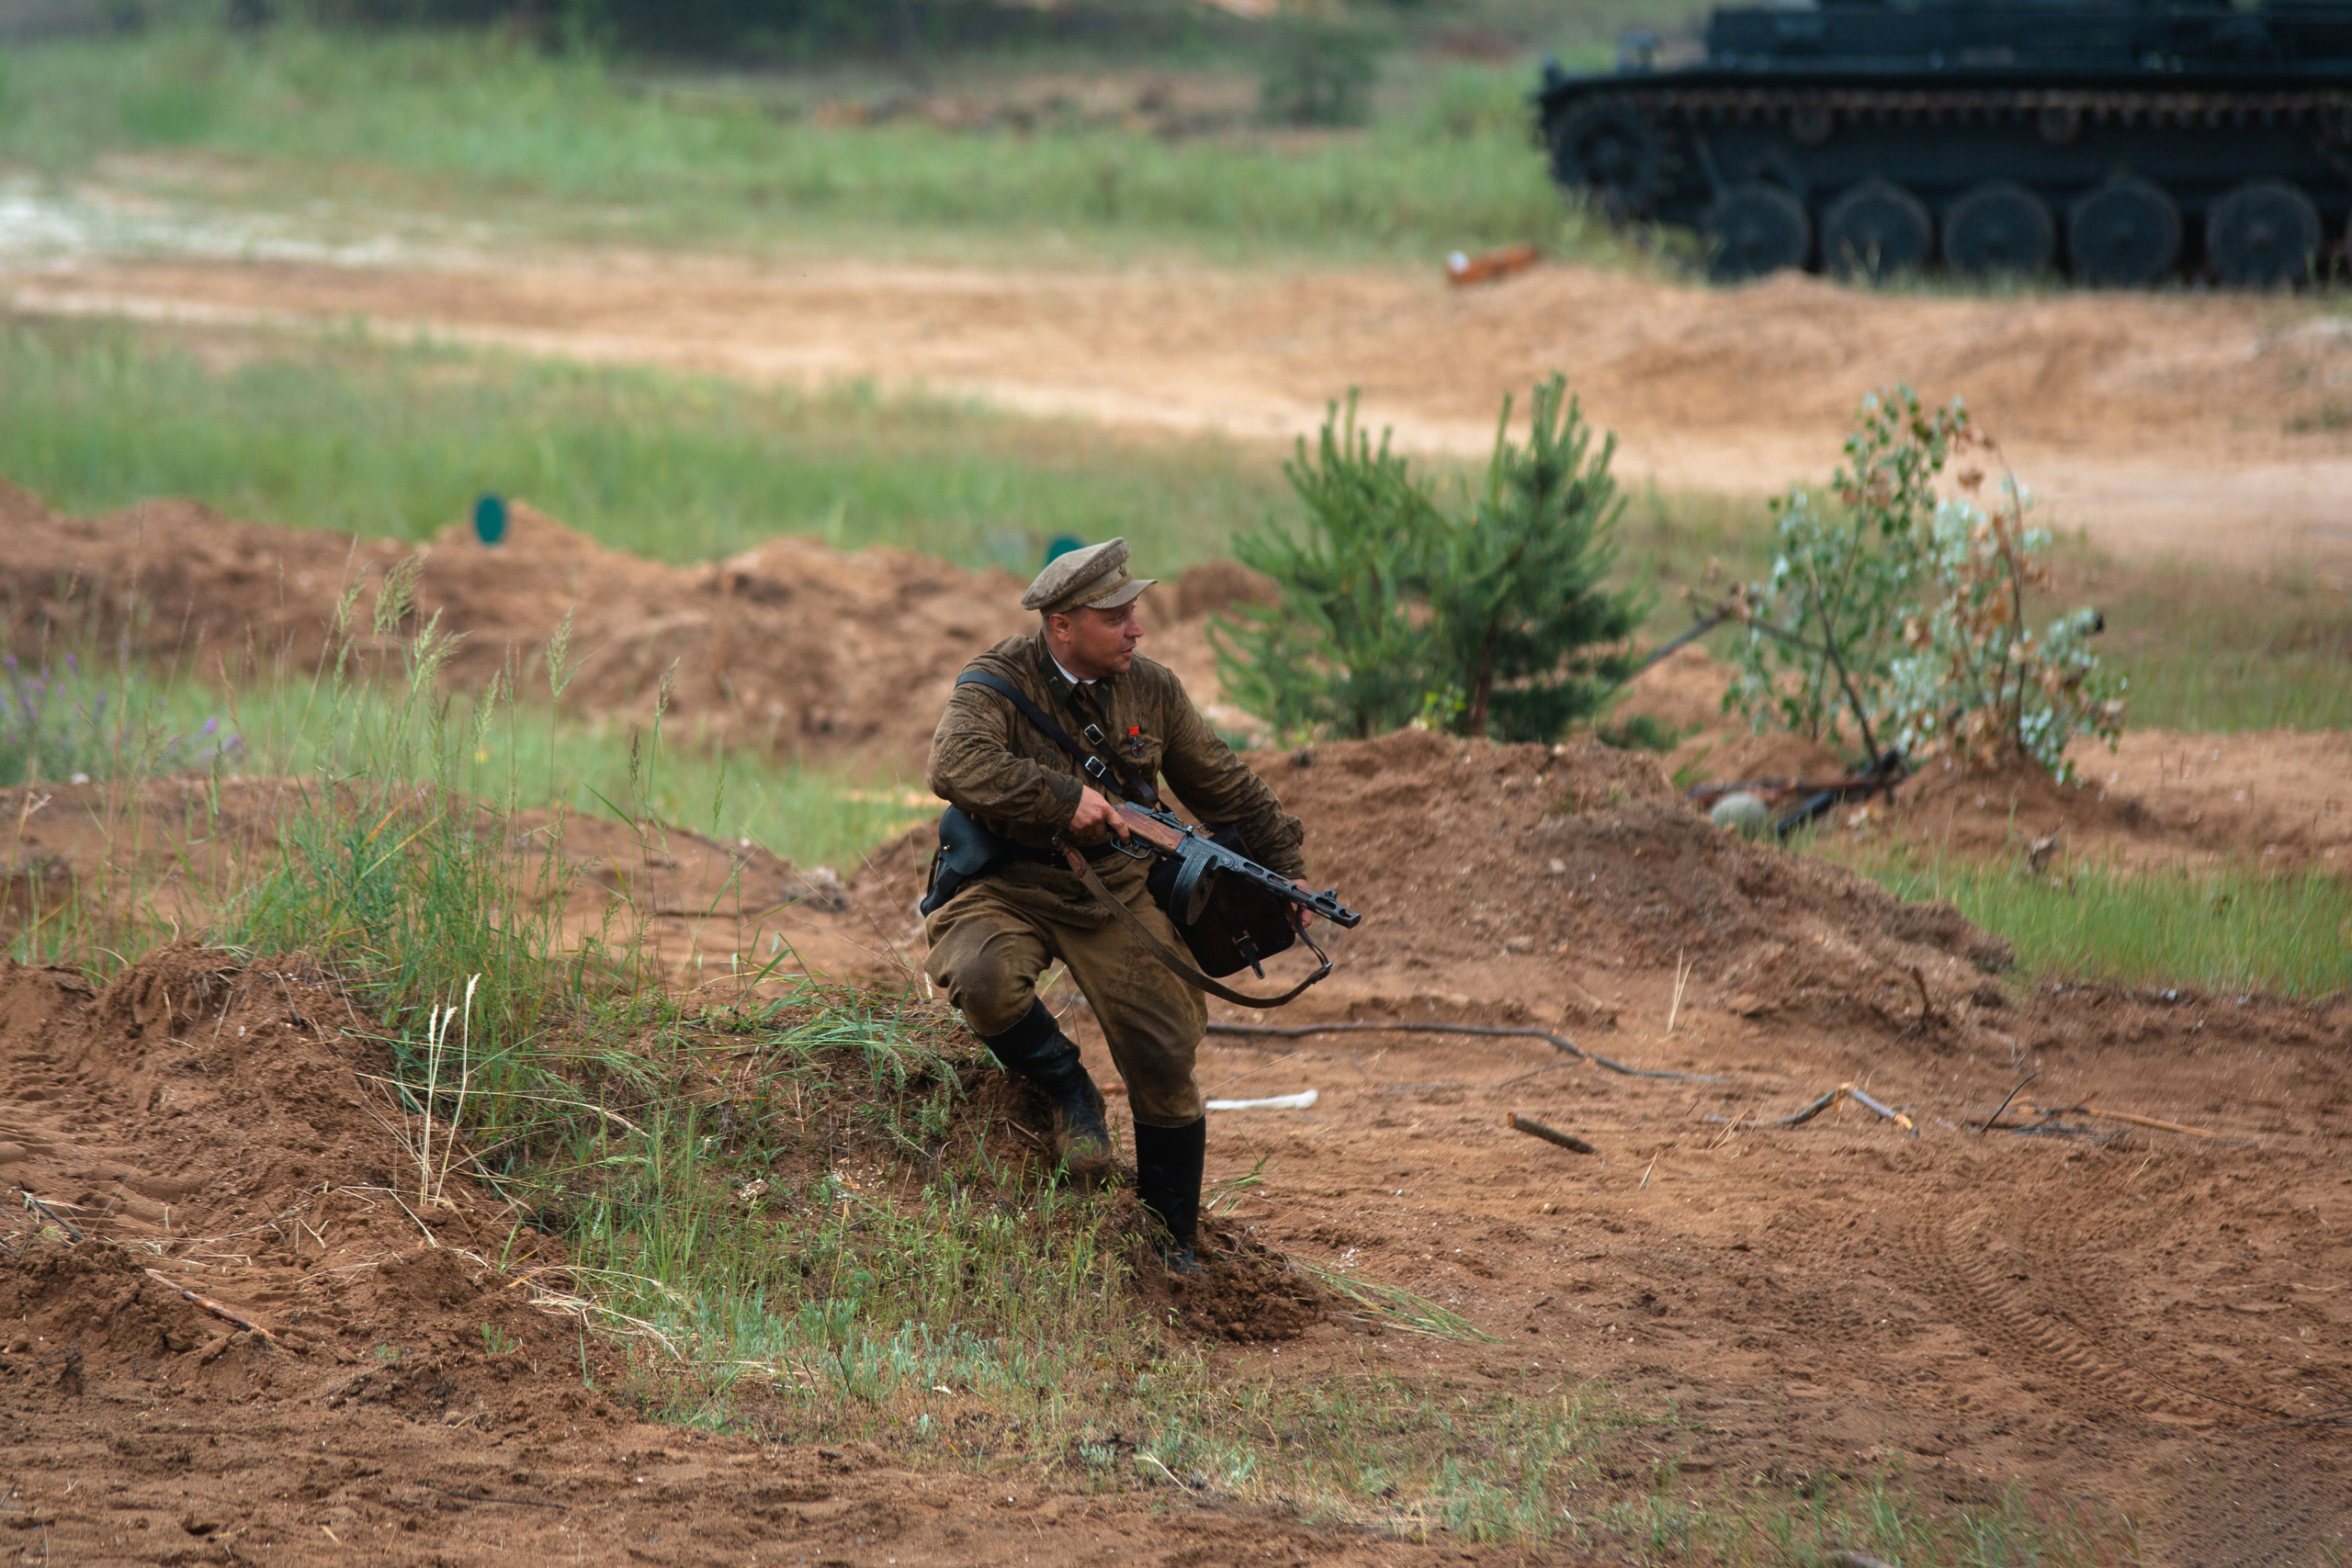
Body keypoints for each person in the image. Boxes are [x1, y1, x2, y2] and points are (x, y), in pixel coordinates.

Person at [923, 538, 1308, 1272]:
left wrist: (1286, 873)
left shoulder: (1152, 689)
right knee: (981, 976)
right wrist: (1063, 800)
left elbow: (1225, 786)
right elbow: (954, 762)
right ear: (1062, 625)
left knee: (1165, 1049)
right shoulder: (995, 681)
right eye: (1115, 617)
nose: (1137, 628)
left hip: (1114, 887)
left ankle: (1172, 1244)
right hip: (1005, 880)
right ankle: (1068, 1088)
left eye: (1134, 610)